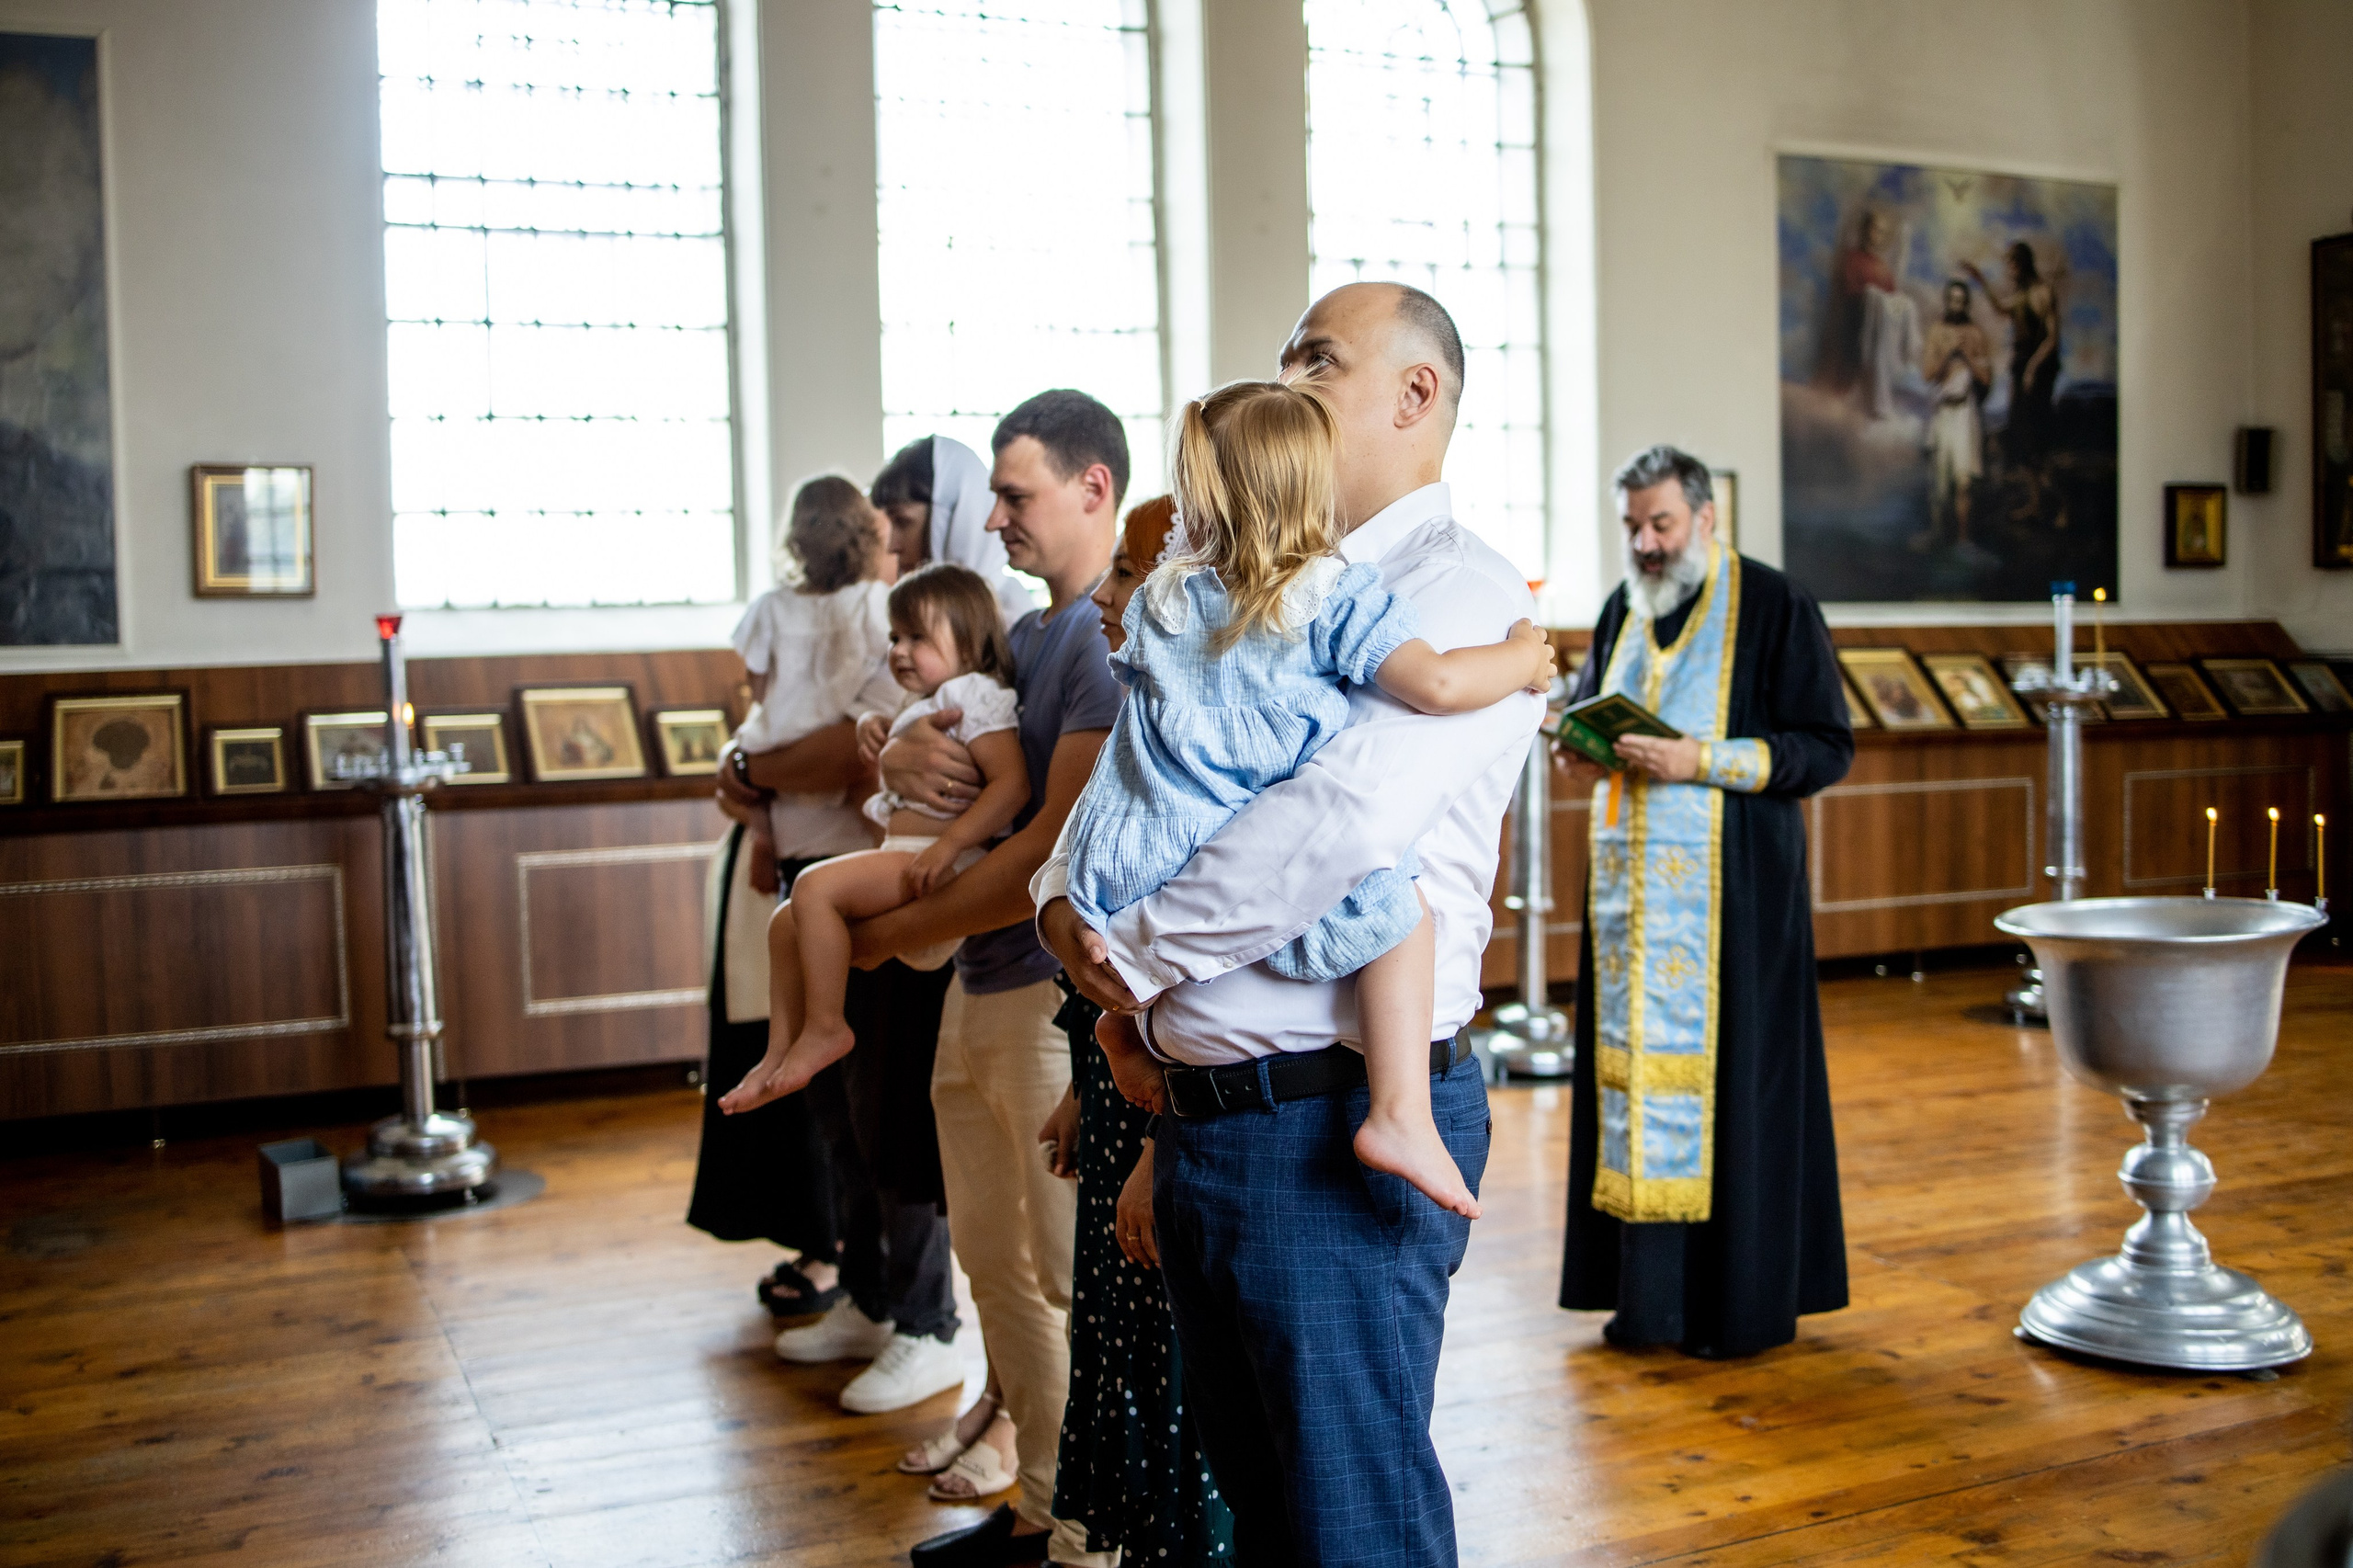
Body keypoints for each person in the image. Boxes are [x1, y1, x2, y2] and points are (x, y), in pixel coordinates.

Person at [1040, 282, 1541, 1567]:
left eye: (1319, 357)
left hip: (1329, 1121)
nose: (1288, 375)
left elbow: (1329, 832)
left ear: (1414, 395)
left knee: (1348, 1521)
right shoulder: (1234, 586)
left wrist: (1130, 961)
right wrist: (1070, 908)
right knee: (1263, 1518)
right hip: (1216, 1115)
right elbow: (1141, 788)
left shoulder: (1454, 588)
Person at [1065, 381, 1556, 1219]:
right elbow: (1437, 683)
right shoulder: (1328, 595)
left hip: (1134, 851)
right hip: (1225, 857)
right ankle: (1400, 1114)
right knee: (1403, 911)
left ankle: (1124, 1028)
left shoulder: (1163, 598)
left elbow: (1140, 727)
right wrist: (1522, 657)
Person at [847, 390, 1128, 1568]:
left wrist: (878, 936)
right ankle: (1036, 1500)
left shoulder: (1104, 633)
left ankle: (1085, 1531)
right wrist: (892, 743)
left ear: (1091, 489)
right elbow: (933, 721)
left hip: (1044, 996)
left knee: (1057, 1271)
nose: (996, 519)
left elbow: (1047, 845)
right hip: (978, 982)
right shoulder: (1031, 629)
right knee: (992, 1262)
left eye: (1016, 497)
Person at [706, 439, 1024, 1411]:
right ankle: (872, 1292)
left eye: (909, 521)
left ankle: (926, 1320)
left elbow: (897, 760)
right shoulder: (902, 619)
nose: (890, 539)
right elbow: (788, 737)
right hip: (843, 875)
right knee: (837, 1111)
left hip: (913, 892)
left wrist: (829, 765)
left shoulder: (973, 627)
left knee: (896, 1117)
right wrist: (751, 768)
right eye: (882, 524)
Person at [1555, 444, 1853, 1360]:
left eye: (1661, 525)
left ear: (1705, 517)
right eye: (1632, 527)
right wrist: (1581, 740)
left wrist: (1701, 759)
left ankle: (1733, 1308)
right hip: (1628, 904)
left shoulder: (1772, 603)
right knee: (1631, 1094)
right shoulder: (1622, 608)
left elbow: (1824, 748)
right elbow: (1595, 706)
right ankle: (1647, 1306)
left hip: (1736, 904)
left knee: (1736, 1095)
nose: (1644, 544)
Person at [1034, 494, 1235, 1563]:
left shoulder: (1203, 753)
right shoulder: (1142, 725)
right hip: (1117, 1091)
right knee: (1109, 1337)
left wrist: (1158, 1143)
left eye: (1126, 573)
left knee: (1163, 1362)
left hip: (1167, 1108)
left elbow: (1199, 978)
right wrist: (1083, 1082)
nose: (1104, 598)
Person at [687, 473, 906, 1317]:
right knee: (813, 1076)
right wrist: (749, 779)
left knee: (852, 1086)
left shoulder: (794, 610)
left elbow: (821, 742)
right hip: (805, 838)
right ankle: (838, 1258)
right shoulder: (867, 611)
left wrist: (751, 770)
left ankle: (875, 1280)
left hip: (835, 847)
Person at [721, 564, 1029, 1114]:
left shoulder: (976, 695)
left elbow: (1011, 785)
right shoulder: (924, 701)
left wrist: (950, 845)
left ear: (968, 637)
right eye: (894, 637)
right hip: (904, 854)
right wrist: (876, 728)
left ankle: (826, 1027)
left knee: (812, 889)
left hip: (945, 863)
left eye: (918, 637)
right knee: (785, 920)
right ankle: (776, 1051)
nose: (900, 650)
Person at [1964, 242, 2061, 500]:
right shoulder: (2021, 296)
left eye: (2012, 265)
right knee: (2021, 435)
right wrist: (1981, 279)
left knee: (2037, 436)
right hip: (2020, 369)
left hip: (2038, 370)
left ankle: (2060, 502)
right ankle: (2036, 503)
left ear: (2022, 264)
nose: (2009, 271)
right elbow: (1999, 308)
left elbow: (2052, 339)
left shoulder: (2043, 293)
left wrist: (2032, 369)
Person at [1917, 279, 1993, 552]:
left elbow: (1986, 378)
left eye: (1962, 301)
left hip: (1965, 413)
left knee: (1964, 480)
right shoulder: (1937, 332)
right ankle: (1938, 534)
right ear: (1947, 301)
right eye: (1952, 300)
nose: (1956, 305)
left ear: (1966, 304)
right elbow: (1927, 375)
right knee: (1939, 482)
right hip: (1942, 412)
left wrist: (1967, 357)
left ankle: (1964, 541)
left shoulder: (1975, 334)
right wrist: (1948, 354)